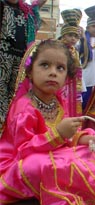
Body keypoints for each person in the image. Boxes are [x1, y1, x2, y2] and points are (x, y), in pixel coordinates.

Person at [0, 40, 95, 205]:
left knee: (90, 149)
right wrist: (58, 134)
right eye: (45, 65)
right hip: (18, 164)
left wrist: (85, 139)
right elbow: (23, 150)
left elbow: (70, 136)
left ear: (66, 77)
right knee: (43, 164)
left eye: (60, 68)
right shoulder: (24, 108)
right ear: (30, 72)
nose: (53, 73)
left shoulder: (57, 103)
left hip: (53, 153)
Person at [0, 0, 46, 133]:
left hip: (21, 58)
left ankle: (12, 123)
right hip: (2, 55)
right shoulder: (2, 5)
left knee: (16, 90)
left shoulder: (27, 11)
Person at [59, 8, 83, 117]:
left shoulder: (75, 52)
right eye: (70, 35)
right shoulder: (58, 49)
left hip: (72, 84)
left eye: (75, 36)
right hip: (61, 83)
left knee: (71, 104)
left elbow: (79, 69)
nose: (73, 39)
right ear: (63, 35)